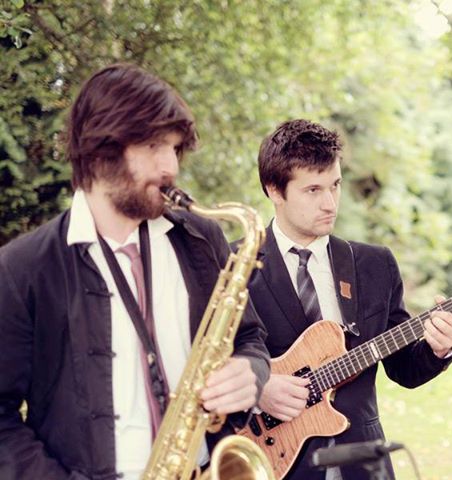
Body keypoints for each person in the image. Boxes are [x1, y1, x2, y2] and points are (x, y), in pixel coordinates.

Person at [0, 63, 270, 480]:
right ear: (100, 150)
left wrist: (250, 371)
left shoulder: (200, 239)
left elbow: (250, 339)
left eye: (175, 148)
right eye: (154, 146)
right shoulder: (24, 268)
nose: (171, 167)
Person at [246, 119, 452, 480]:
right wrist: (258, 386)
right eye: (313, 190)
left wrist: (439, 348)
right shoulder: (234, 266)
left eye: (335, 185)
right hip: (270, 460)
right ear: (274, 191)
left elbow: (404, 368)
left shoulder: (374, 264)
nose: (330, 203)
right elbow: (205, 361)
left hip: (361, 461)